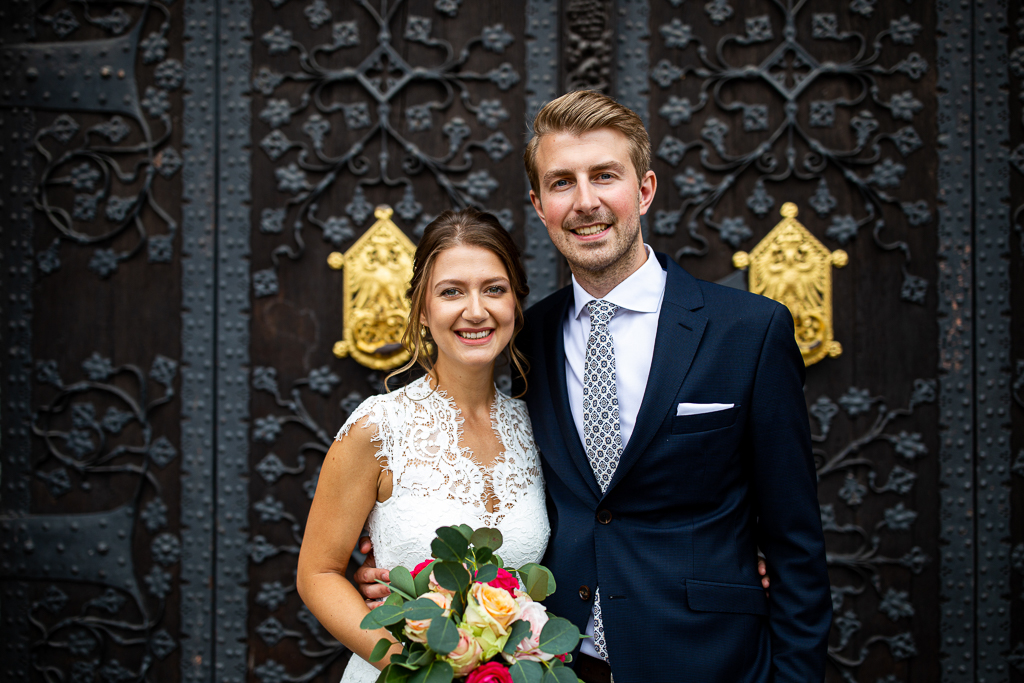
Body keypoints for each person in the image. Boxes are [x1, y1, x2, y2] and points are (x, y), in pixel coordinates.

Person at [515, 91, 832, 682]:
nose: (586, 202)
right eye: (562, 183)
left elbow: (795, 541)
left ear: (645, 190)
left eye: (604, 176)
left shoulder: (750, 331)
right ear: (539, 204)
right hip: (556, 664)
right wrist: (379, 557)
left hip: (711, 660)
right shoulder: (524, 339)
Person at [296, 209, 551, 683]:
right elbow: (318, 574)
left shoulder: (541, 425)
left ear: (516, 303)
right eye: (451, 291)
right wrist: (422, 668)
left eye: (493, 289)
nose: (475, 310)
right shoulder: (379, 427)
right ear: (422, 308)